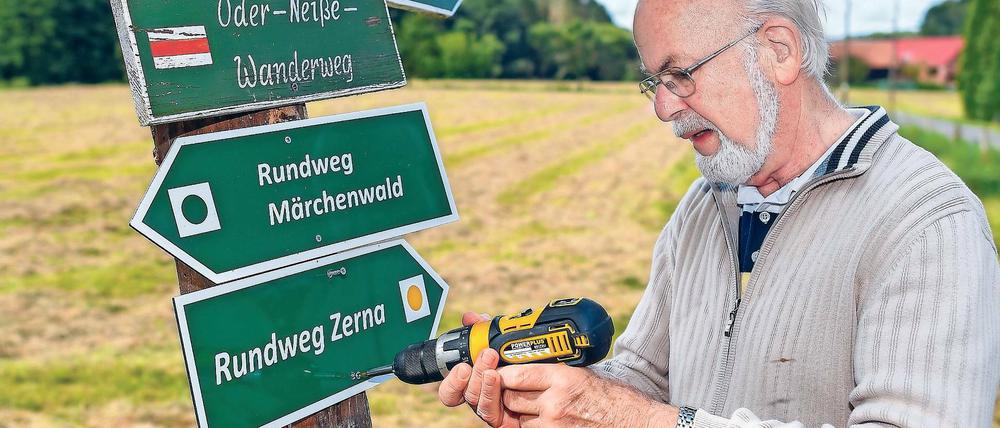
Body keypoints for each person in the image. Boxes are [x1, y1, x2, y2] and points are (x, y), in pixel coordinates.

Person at [436, 0, 1000, 427]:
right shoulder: (704, 206)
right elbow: (642, 379)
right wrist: (550, 397)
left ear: (778, 50)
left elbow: (643, 413)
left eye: (681, 73)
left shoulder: (928, 224)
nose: (663, 107)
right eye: (653, 80)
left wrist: (636, 419)